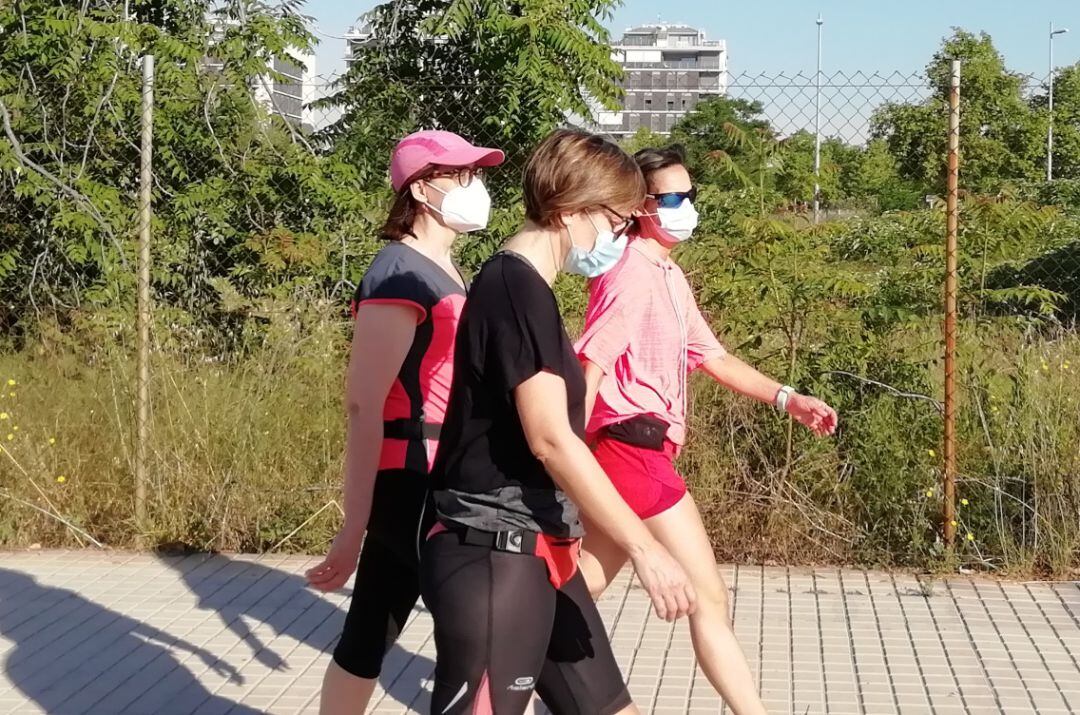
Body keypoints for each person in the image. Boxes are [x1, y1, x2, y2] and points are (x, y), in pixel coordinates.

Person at [420, 129, 697, 715]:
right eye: (619, 221)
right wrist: (643, 549)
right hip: (495, 549)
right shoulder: (514, 290)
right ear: (574, 209)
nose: (619, 236)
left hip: (542, 546)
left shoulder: (531, 292)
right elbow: (551, 439)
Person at [574, 144, 840, 715]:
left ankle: (500, 643)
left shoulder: (665, 273)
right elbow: (590, 364)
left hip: (642, 450)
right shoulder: (630, 273)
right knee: (709, 597)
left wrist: (788, 397)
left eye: (690, 195)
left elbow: (712, 357)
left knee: (580, 585)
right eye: (672, 196)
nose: (686, 206)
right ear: (639, 205)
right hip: (630, 447)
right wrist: (564, 455)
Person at [304, 130, 504, 715]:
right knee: (481, 634)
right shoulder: (397, 274)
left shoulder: (442, 269)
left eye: (478, 174)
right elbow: (366, 403)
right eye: (462, 174)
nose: (477, 186)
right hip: (415, 477)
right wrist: (353, 526)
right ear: (421, 187)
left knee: (369, 632)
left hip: (438, 471)